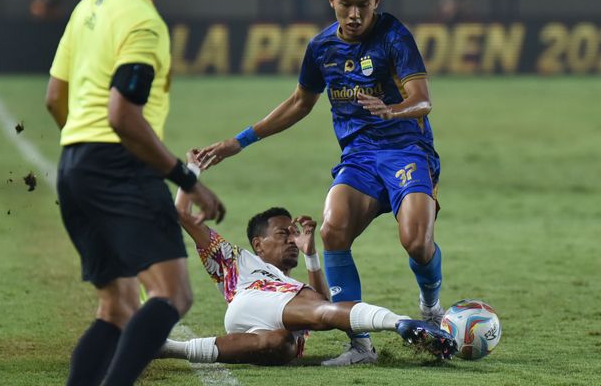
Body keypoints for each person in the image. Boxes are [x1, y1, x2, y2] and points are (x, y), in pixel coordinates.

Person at [35, 0, 225, 386]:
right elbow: (122, 114)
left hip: (76, 163)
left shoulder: (90, 4)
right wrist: (183, 174)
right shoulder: (144, 22)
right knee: (174, 294)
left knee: (117, 306)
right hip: (119, 167)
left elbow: (54, 98)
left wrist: (82, 152)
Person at [196, 0, 444, 366]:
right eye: (346, 3)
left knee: (417, 243)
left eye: (363, 4)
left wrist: (391, 109)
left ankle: (431, 308)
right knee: (333, 230)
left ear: (376, 2)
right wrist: (238, 142)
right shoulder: (321, 47)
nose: (354, 13)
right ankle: (361, 347)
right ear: (331, 0)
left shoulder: (394, 36)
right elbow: (299, 103)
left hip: (406, 151)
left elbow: (423, 100)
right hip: (360, 157)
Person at [157, 153, 457, 366]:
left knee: (280, 346)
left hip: (261, 324)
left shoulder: (292, 286)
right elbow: (182, 214)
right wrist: (192, 170)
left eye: (292, 233)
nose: (291, 239)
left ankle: (167, 349)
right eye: (282, 234)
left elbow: (328, 307)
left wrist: (311, 255)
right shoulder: (238, 261)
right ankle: (402, 324)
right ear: (258, 244)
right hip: (253, 298)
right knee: (323, 312)